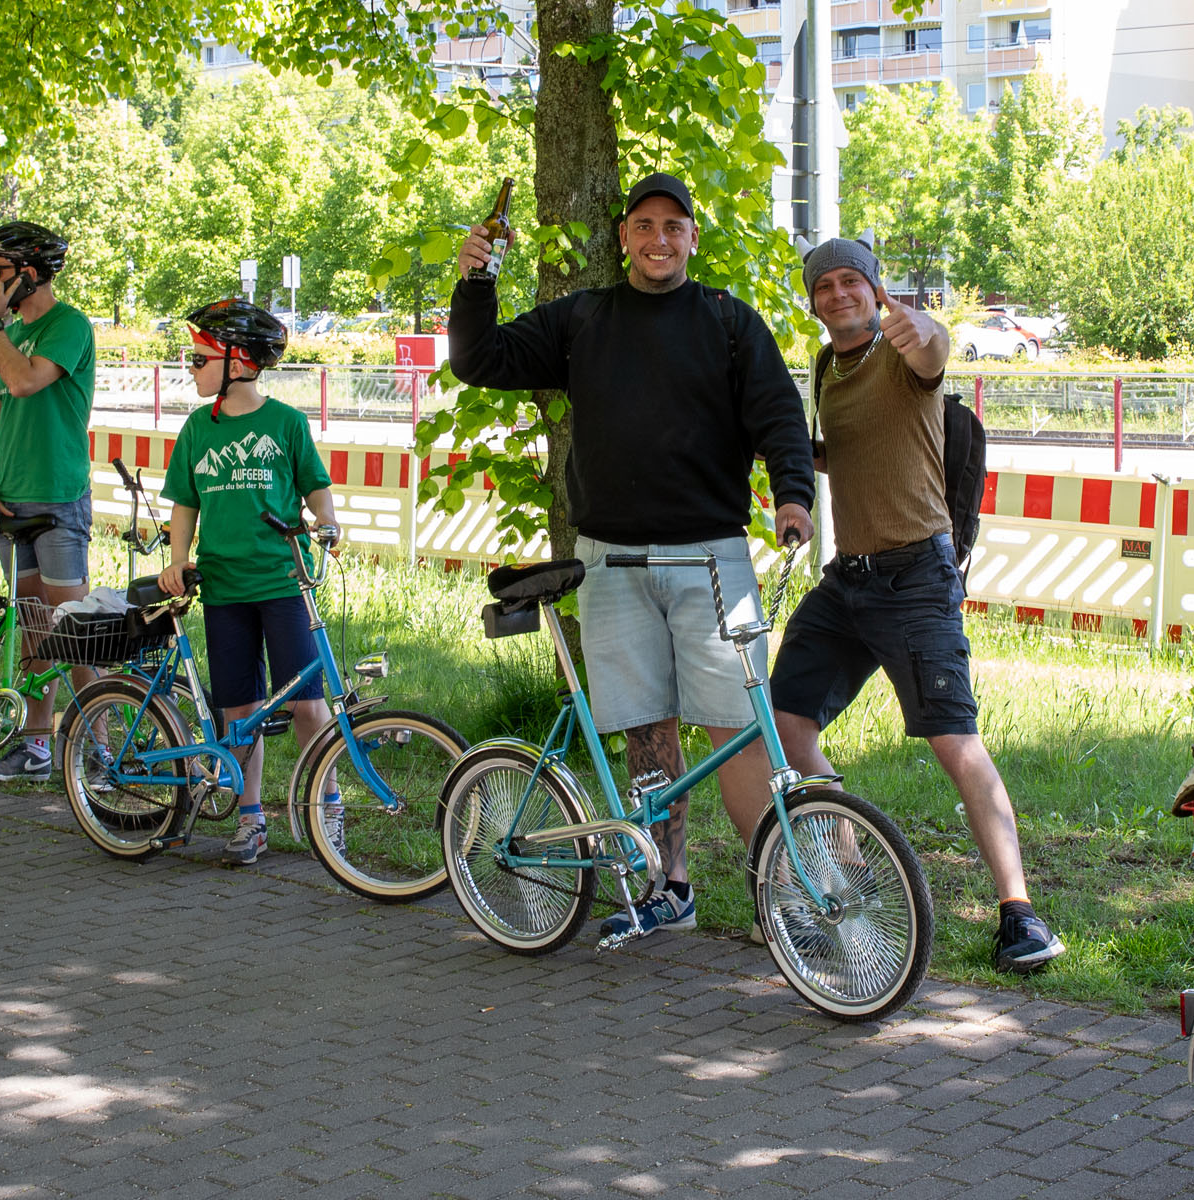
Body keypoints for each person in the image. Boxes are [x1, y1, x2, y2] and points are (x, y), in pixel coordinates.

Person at [449, 171, 815, 938]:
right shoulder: (584, 318)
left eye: (672, 227)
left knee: (738, 725)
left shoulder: (727, 321)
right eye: (643, 226)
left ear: (691, 238)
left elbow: (780, 414)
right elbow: (481, 361)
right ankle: (668, 885)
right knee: (648, 727)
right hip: (610, 560)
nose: (658, 239)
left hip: (711, 560)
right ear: (623, 237)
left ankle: (787, 893)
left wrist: (792, 497)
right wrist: (475, 281)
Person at [768, 236, 1065, 974]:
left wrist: (927, 332)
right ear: (813, 300)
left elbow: (935, 354)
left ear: (875, 290)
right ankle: (849, 867)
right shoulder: (826, 366)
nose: (839, 294)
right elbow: (852, 446)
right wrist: (785, 460)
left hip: (917, 579)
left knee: (954, 741)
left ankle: (1021, 915)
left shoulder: (906, 354)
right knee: (784, 721)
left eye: (852, 282)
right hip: (849, 582)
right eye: (825, 285)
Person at [157, 299, 340, 865]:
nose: (191, 368)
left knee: (309, 704)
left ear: (237, 362)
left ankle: (327, 807)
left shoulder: (285, 423)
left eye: (198, 358)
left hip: (283, 581)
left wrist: (328, 522)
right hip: (223, 587)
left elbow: (315, 485)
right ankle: (251, 817)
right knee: (240, 710)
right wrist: (178, 559)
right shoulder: (196, 428)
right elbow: (185, 501)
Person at [0, 221, 96, 783]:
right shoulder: (6, 336)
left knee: (77, 629)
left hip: (59, 500)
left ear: (29, 272)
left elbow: (23, 384)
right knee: (35, 627)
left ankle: (100, 748)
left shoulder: (68, 326)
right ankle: (36, 746)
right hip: (10, 506)